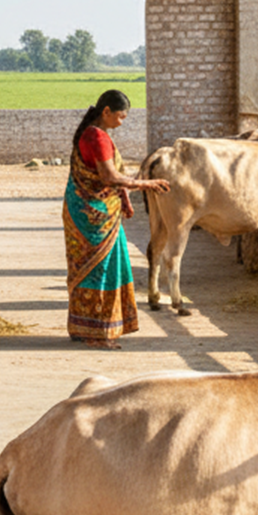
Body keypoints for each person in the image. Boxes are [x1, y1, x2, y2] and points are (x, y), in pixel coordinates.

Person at [64, 89, 170, 350]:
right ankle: (96, 333)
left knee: (98, 265)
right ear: (106, 112)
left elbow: (107, 176)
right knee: (100, 269)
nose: (122, 122)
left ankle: (84, 326)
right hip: (93, 216)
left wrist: (124, 196)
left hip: (88, 210)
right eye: (120, 117)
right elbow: (110, 176)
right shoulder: (96, 136)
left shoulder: (92, 132)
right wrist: (146, 184)